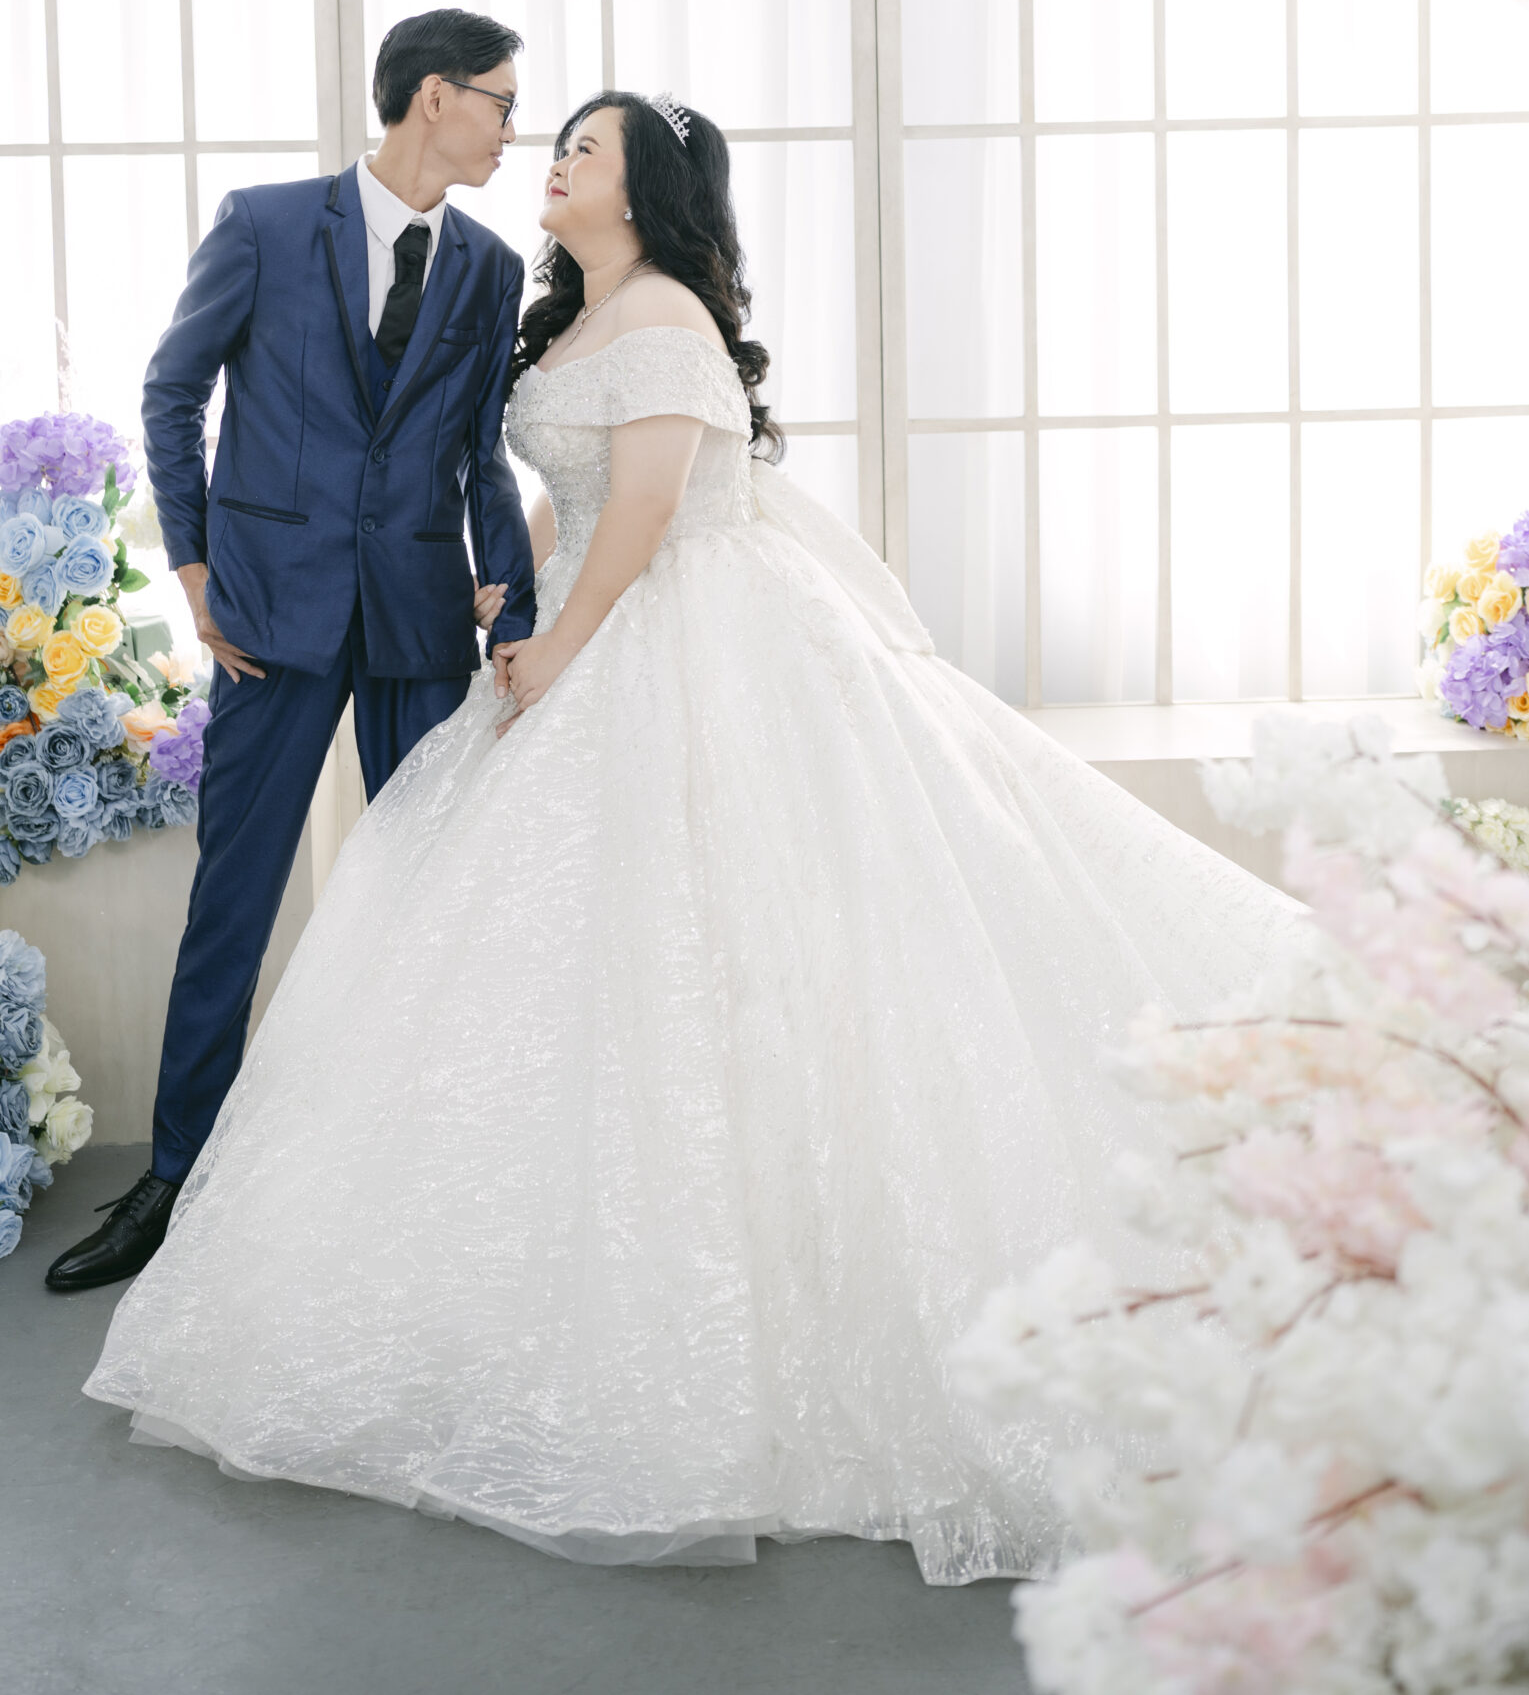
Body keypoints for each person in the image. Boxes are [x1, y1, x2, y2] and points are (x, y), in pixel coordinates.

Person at [84, 90, 1302, 1583]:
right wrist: (508, 588)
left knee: (730, 934)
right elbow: (576, 489)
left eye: (581, 148)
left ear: (640, 187)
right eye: (550, 142)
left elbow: (651, 506)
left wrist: (558, 643)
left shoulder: (662, 313)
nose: (552, 162)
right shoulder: (570, 314)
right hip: (587, 612)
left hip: (690, 638)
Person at [45, 10, 537, 1293]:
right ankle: (172, 1181)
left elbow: (480, 452)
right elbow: (172, 391)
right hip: (267, 619)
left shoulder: (489, 267)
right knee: (235, 900)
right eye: (500, 101)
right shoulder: (264, 225)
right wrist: (194, 569)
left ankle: (416, 1181)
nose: (511, 127)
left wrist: (516, 611)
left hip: (417, 620)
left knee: (425, 902)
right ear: (434, 97)